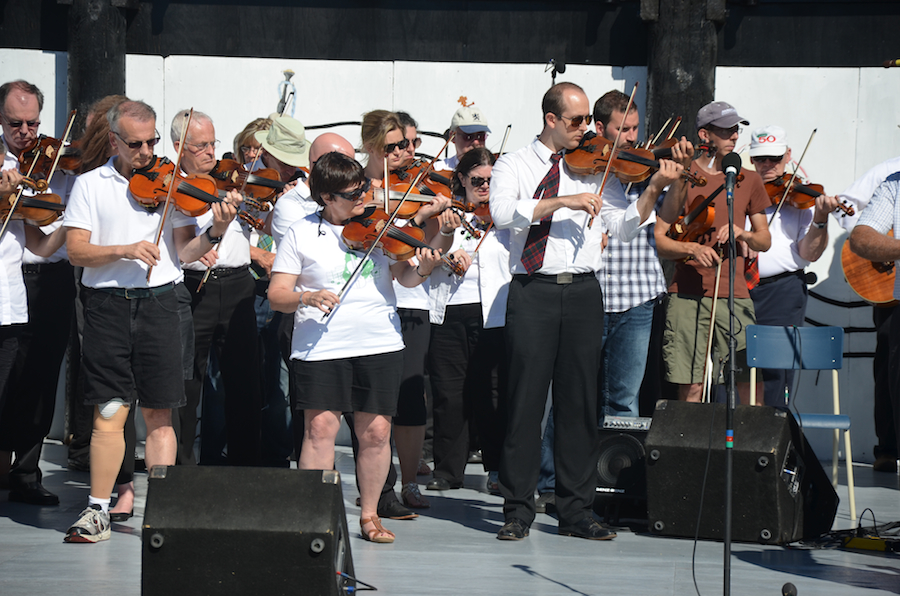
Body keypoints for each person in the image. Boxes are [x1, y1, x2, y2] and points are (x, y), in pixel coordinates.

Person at [490, 82, 687, 541]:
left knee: (578, 403)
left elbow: (623, 226)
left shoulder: (599, 169)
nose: (586, 129)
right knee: (525, 403)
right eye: (577, 121)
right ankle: (517, 509)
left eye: (586, 121)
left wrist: (654, 187)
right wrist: (563, 201)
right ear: (551, 119)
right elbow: (501, 213)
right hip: (533, 290)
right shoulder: (514, 164)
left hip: (582, 291)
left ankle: (576, 509)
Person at [63, 100, 241, 543]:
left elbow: (185, 252)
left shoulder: (171, 182)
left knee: (161, 411)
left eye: (152, 142)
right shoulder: (89, 185)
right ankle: (97, 509)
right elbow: (77, 251)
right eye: (135, 144)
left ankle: (161, 511)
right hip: (107, 305)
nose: (146, 152)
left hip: (162, 302)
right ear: (114, 141)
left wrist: (216, 230)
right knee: (110, 409)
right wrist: (124, 250)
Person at [267, 152, 443, 543]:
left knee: (377, 431)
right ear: (327, 197)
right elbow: (277, 294)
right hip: (321, 345)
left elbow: (406, 278)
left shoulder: (381, 227)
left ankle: (369, 514)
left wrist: (425, 267)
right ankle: (313, 516)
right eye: (352, 194)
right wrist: (307, 296)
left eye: (363, 188)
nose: (363, 198)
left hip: (379, 341)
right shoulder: (301, 233)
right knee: (319, 429)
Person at [534, 89, 693, 512]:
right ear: (600, 129)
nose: (631, 138)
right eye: (622, 130)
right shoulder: (584, 169)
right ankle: (550, 481)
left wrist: (676, 177)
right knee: (572, 395)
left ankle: (614, 486)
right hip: (591, 295)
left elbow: (668, 216)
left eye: (635, 129)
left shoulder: (643, 170)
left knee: (624, 400)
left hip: (637, 294)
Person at [357, 109, 455, 519]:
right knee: (363, 407)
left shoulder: (416, 186)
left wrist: (443, 228)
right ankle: (373, 488)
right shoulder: (356, 188)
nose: (405, 152)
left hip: (407, 300)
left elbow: (428, 248)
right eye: (394, 146)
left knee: (408, 398)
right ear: (372, 146)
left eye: (409, 144)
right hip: (364, 303)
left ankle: (406, 482)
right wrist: (411, 214)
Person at [654, 101, 771, 405]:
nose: (734, 135)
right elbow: (661, 241)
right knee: (691, 386)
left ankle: (746, 438)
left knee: (749, 383)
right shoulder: (684, 174)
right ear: (705, 135)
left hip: (735, 294)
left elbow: (764, 240)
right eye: (726, 130)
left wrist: (743, 233)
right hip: (688, 294)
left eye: (736, 129)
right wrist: (692, 248)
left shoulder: (749, 179)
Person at [173, 109, 262, 466]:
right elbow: (180, 247)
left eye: (213, 143)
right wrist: (205, 241)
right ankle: (182, 467)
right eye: (201, 146)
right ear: (179, 148)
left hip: (239, 284)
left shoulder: (228, 181)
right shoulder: (173, 189)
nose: (211, 152)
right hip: (196, 287)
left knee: (244, 379)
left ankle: (245, 466)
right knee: (188, 380)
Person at [0, 80, 74, 506]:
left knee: (41, 379)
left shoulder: (58, 163)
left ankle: (26, 472)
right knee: (6, 379)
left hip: (50, 279)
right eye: (16, 124)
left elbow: (44, 241)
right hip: (11, 281)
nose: (26, 132)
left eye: (33, 123)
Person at [426, 147, 510, 495]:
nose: (485, 187)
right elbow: (428, 253)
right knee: (449, 392)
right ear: (461, 179)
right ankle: (448, 470)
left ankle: (497, 468)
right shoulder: (446, 214)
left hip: (492, 311)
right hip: (449, 310)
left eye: (491, 180)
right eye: (477, 181)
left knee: (493, 392)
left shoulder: (502, 216)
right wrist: (446, 251)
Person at [745, 125, 839, 407]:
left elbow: (810, 253)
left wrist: (820, 219)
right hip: (739, 287)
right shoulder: (741, 190)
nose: (768, 165)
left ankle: (773, 428)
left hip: (782, 290)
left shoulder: (799, 198)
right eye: (761, 158)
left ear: (787, 156)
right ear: (752, 159)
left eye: (774, 158)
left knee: (776, 369)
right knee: (736, 365)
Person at [838, 155, 900, 473]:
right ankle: (887, 447)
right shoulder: (892, 178)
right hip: (893, 297)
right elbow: (859, 233)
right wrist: (890, 246)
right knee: (889, 372)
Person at [437, 103, 491, 172]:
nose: (476, 142)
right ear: (452, 137)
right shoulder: (438, 169)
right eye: (468, 136)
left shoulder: (496, 170)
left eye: (481, 136)